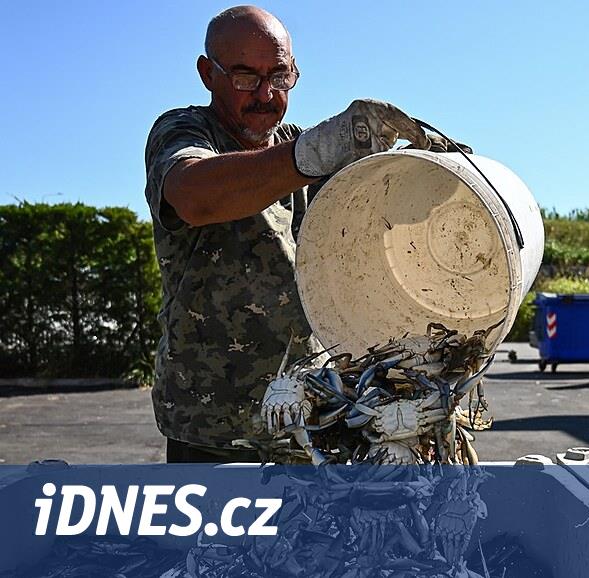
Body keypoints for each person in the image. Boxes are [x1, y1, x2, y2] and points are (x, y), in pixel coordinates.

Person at [144, 6, 445, 462]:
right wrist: (312, 154)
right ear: (208, 74)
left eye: (280, 77)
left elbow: (381, 218)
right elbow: (193, 194)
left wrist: (433, 176)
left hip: (313, 421)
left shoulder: (301, 147)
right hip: (214, 432)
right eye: (246, 78)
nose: (266, 94)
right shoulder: (187, 132)